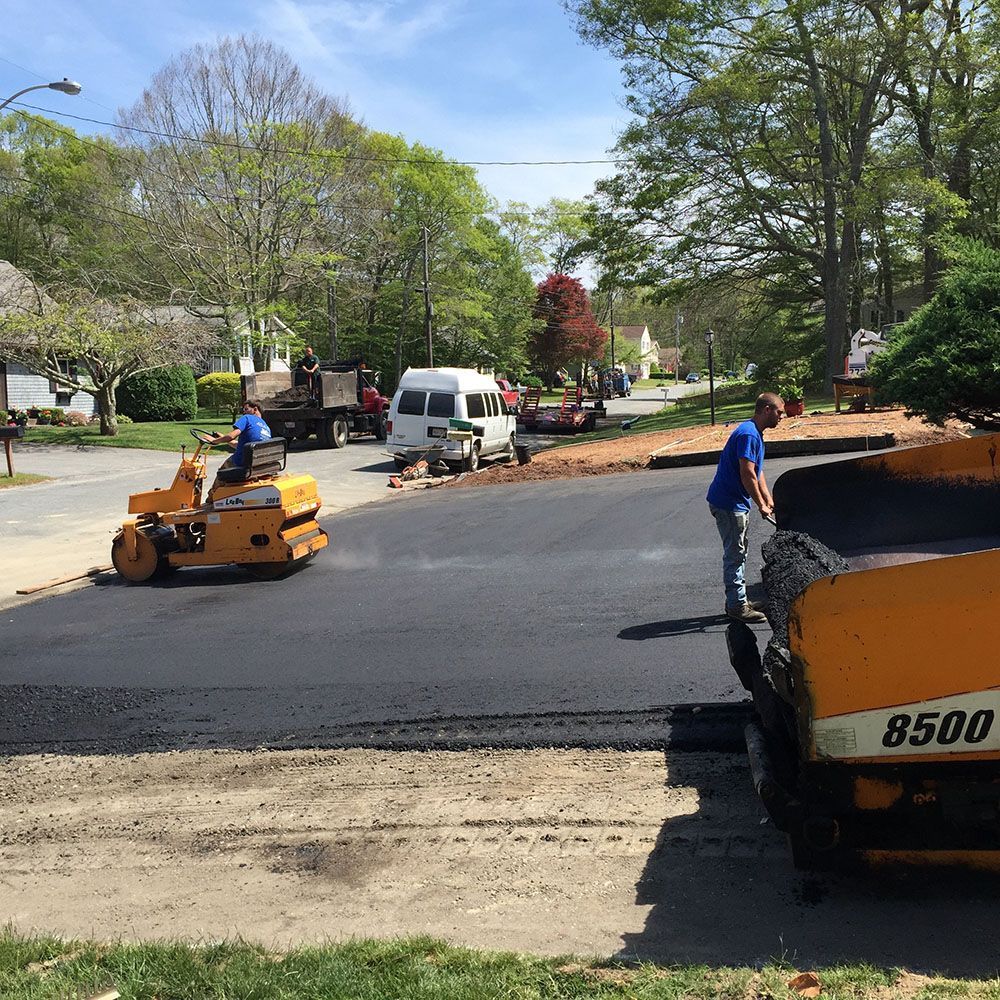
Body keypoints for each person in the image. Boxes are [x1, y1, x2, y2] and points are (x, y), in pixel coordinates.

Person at [706, 391, 784, 623]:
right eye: (779, 412)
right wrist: (760, 504)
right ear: (767, 410)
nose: (782, 417)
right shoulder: (749, 434)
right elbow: (746, 473)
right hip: (729, 504)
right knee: (735, 555)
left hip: (733, 501)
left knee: (739, 553)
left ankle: (738, 600)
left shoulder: (754, 432)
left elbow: (757, 470)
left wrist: (768, 499)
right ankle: (737, 606)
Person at [210, 400, 272, 483]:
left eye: (246, 409)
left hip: (241, 462)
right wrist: (222, 437)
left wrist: (214, 441)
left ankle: (213, 494)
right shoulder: (266, 427)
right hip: (257, 463)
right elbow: (244, 447)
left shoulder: (247, 418)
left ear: (255, 409)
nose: (244, 412)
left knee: (221, 474)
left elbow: (232, 436)